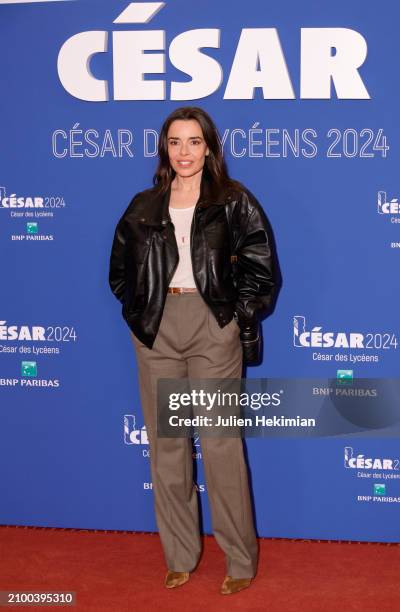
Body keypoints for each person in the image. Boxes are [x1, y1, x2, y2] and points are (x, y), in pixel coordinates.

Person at [109, 106, 282, 595]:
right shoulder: (144, 205)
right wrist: (141, 312)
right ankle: (180, 555)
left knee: (221, 445)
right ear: (165, 149)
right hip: (158, 330)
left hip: (212, 328)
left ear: (209, 147)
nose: (184, 152)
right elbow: (120, 272)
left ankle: (240, 560)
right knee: (167, 448)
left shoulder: (233, 201)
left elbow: (261, 270)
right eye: (175, 142)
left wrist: (233, 319)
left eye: (193, 141)